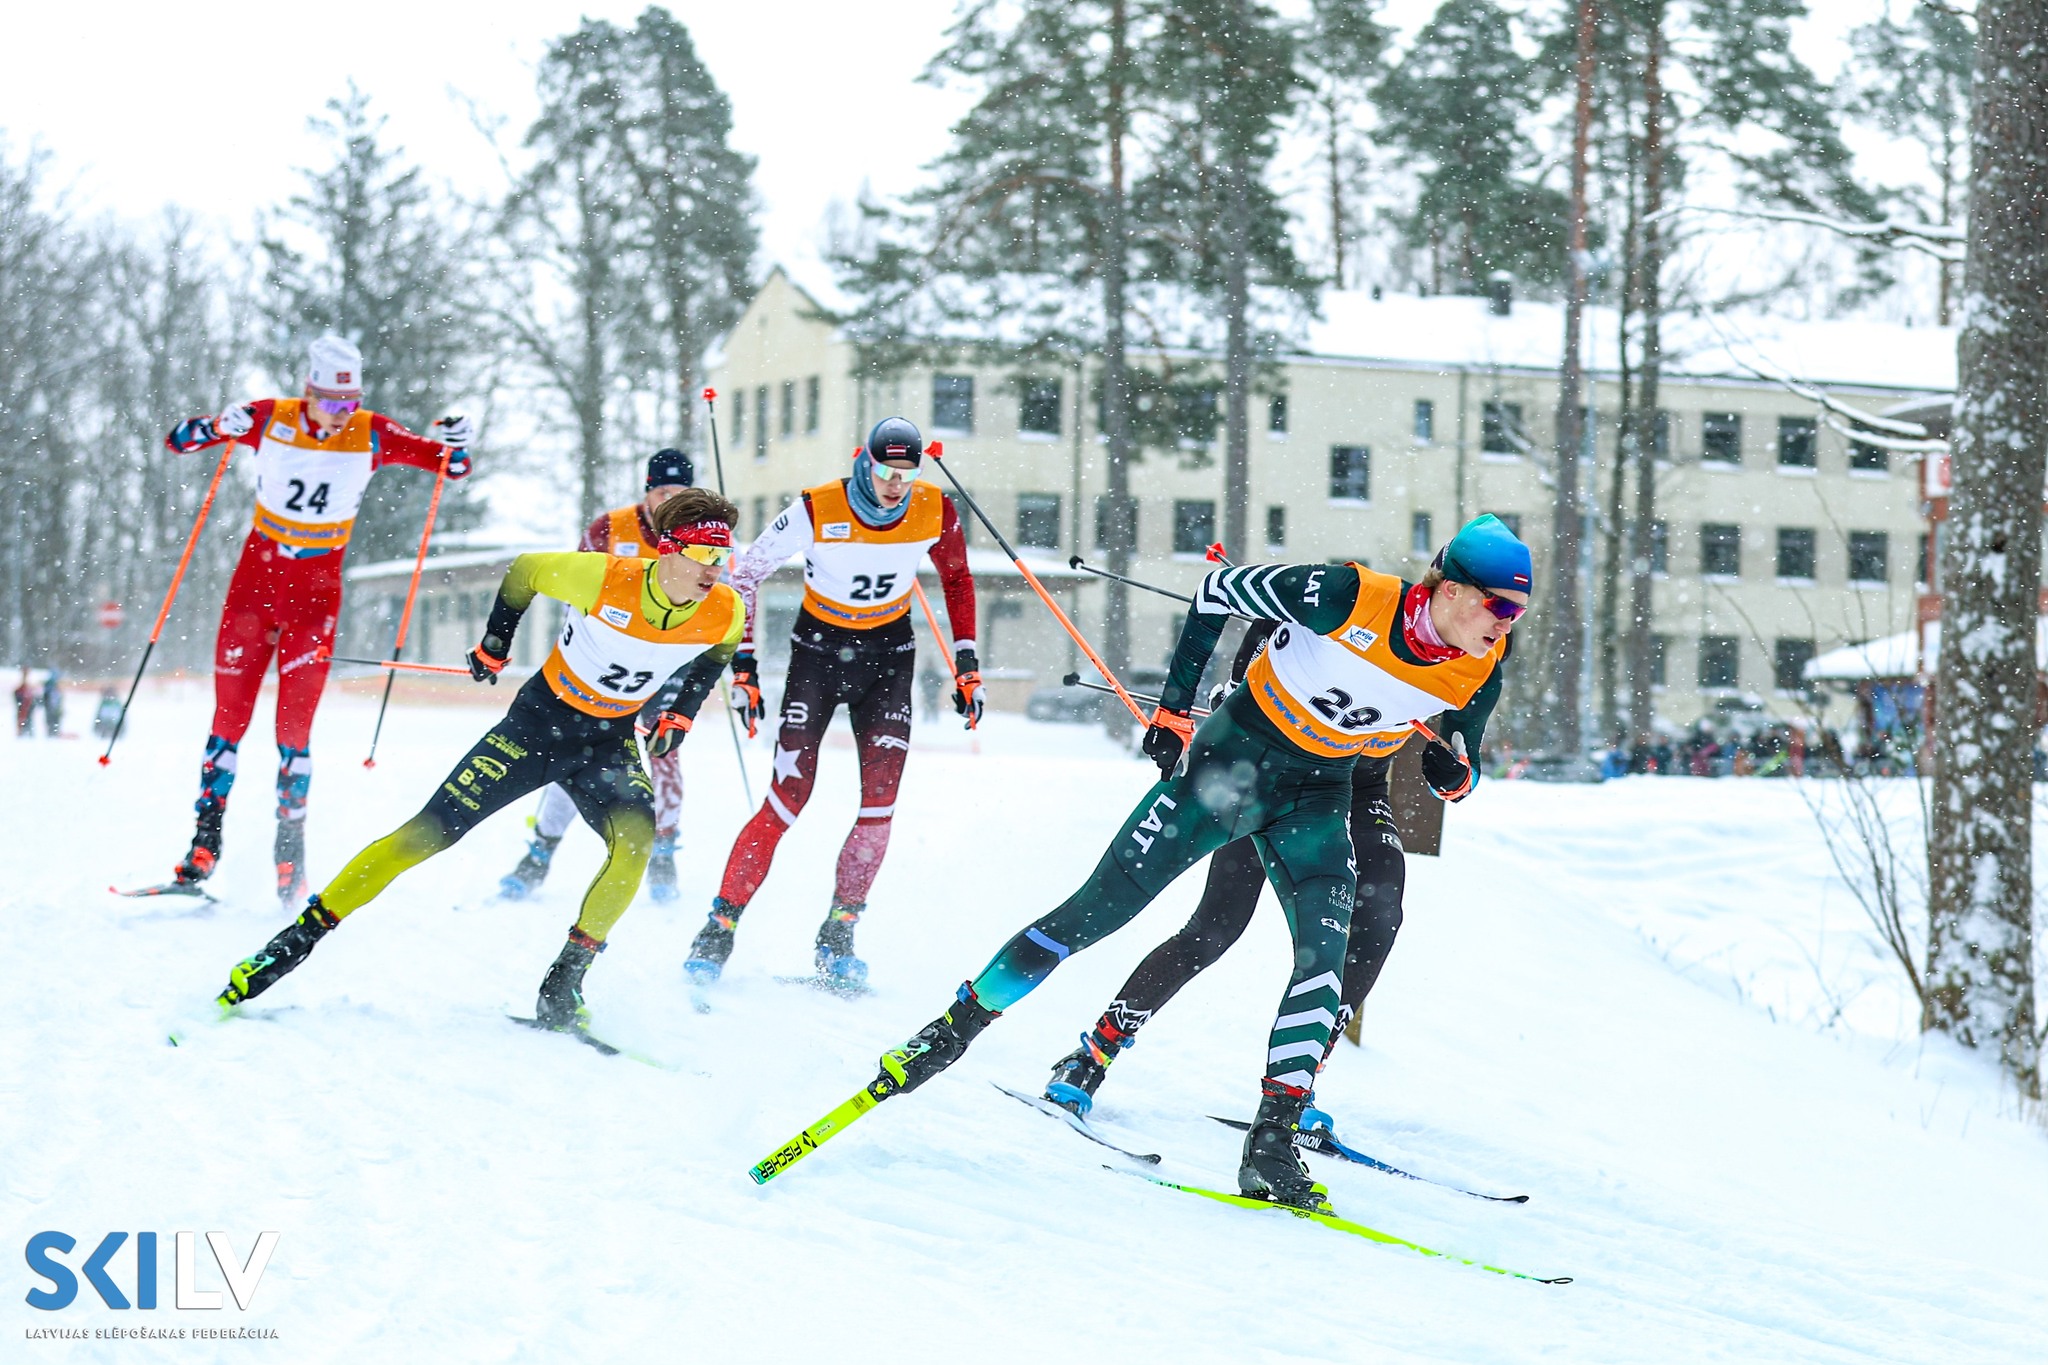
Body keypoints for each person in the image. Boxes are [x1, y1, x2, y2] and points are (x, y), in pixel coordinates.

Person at [867, 514, 1530, 1210]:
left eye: (1517, 612)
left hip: (1321, 792)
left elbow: (1465, 763)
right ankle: (951, 1031)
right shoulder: (1347, 595)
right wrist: (1176, 711)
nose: (1506, 625)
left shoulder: (1479, 673)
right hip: (1234, 764)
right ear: (1451, 589)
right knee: (1100, 911)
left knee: (1326, 956)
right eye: (1499, 606)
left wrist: (1454, 774)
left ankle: (1273, 1143)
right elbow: (1216, 590)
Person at [215, 490, 745, 1031]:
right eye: (704, 555)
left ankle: (563, 985)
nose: (714, 570)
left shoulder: (726, 609)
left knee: (634, 846)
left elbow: (718, 656)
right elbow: (524, 572)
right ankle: (291, 944)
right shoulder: (606, 577)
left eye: (722, 557)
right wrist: (496, 640)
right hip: (538, 725)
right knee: (426, 835)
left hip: (609, 740)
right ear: (669, 550)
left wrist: (680, 713)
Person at [162, 335, 471, 905]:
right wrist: (215, 425)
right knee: (229, 719)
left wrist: (455, 442)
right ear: (308, 392)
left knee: (294, 732)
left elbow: (449, 467)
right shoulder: (269, 418)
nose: (338, 416)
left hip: (315, 599)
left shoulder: (371, 433)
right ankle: (203, 847)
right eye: (329, 403)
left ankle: (289, 858)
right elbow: (178, 441)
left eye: (348, 404)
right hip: (254, 590)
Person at [685, 417, 980, 989]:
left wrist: (966, 665)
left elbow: (959, 580)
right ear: (861, 462)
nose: (895, 485)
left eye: (906, 473)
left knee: (879, 805)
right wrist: (744, 665)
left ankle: (839, 935)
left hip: (889, 657)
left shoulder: (934, 510)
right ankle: (717, 930)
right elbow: (745, 577)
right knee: (787, 799)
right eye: (884, 471)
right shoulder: (818, 507)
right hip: (817, 655)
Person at [498, 448, 698, 904]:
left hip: (665, 662)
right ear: (648, 491)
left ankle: (663, 850)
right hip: (606, 663)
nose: (670, 503)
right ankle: (540, 853)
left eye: (679, 494)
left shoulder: (698, 535)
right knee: (575, 754)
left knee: (664, 753)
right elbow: (577, 590)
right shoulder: (610, 528)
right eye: (662, 492)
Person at [14, 669, 38, 737]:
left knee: (27, 723)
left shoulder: (28, 689)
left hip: (26, 710)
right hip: (23, 710)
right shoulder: (21, 689)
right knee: (23, 723)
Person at [41, 669, 64, 737]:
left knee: (53, 724)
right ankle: (52, 735)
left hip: (54, 709)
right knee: (52, 724)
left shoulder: (54, 687)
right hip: (51, 709)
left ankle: (53, 734)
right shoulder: (50, 686)